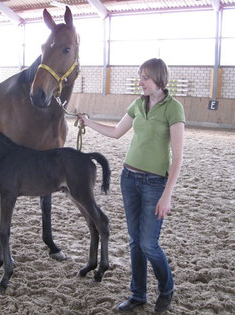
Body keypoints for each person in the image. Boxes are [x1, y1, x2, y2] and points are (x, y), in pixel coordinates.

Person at [78, 58, 185, 313]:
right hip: (129, 178)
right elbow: (116, 132)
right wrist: (88, 122)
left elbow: (179, 157)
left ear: (159, 79)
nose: (141, 82)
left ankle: (166, 288)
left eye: (145, 78)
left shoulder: (174, 108)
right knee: (135, 242)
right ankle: (138, 294)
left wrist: (167, 194)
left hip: (155, 183)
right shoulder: (138, 104)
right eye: (140, 77)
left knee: (149, 243)